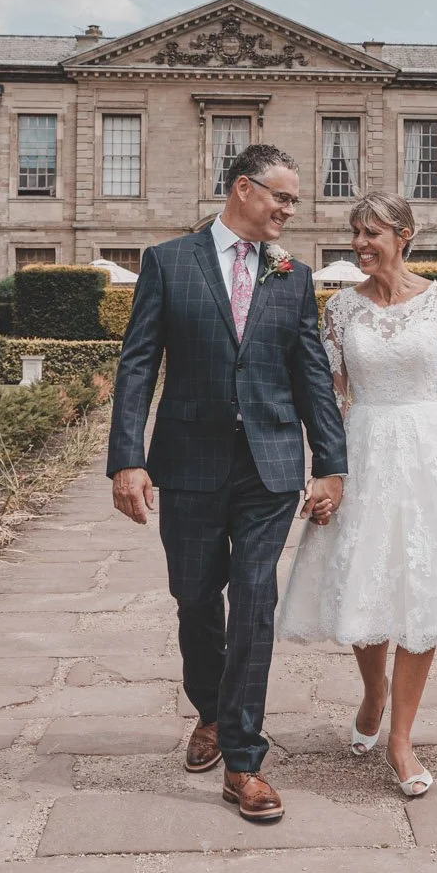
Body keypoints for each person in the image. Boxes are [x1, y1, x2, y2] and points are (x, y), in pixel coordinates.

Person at [107, 144, 347, 824]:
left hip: (270, 462)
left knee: (254, 599)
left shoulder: (294, 275)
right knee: (194, 597)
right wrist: (127, 458)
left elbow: (311, 374)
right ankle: (210, 709)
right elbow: (137, 363)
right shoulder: (167, 262)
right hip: (188, 460)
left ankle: (244, 757)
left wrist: (331, 463)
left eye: (293, 199)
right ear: (243, 188)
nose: (289, 209)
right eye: (281, 196)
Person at [277, 191, 437, 797]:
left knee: (424, 587)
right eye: (356, 232)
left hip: (433, 455)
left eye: (371, 233)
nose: (360, 244)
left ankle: (400, 739)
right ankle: (374, 692)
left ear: (404, 235)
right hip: (364, 451)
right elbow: (331, 398)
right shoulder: (340, 308)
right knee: (367, 577)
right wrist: (324, 470)